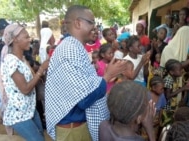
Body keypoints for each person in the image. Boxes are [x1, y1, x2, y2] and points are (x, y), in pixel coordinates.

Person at [45, 5, 127, 141]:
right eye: (91, 22)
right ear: (78, 23)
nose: (95, 28)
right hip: (73, 131)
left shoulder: (75, 47)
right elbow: (84, 100)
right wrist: (107, 76)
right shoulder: (70, 50)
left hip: (76, 127)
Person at [0, 24, 49, 141]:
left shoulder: (21, 59)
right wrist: (41, 70)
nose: (29, 39)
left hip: (29, 109)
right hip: (19, 114)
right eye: (26, 37)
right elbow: (25, 89)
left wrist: (38, 74)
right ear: (15, 39)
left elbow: (30, 80)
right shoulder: (11, 61)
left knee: (40, 137)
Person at [162, 59, 189, 126]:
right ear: (172, 72)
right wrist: (182, 89)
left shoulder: (175, 78)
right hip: (167, 107)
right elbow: (168, 96)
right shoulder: (168, 80)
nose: (181, 71)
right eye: (179, 70)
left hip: (172, 106)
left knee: (171, 122)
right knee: (166, 124)